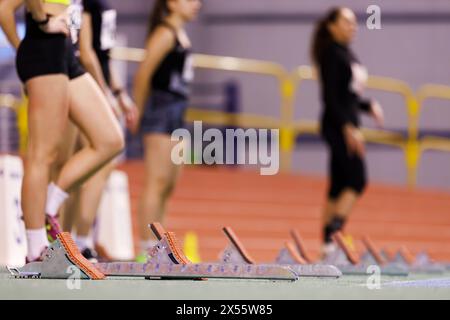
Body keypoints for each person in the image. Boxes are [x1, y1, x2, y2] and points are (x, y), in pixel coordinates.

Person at [0, 0, 124, 263]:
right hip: (44, 49)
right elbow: (3, 8)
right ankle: (36, 247)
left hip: (66, 51)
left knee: (110, 140)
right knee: (42, 153)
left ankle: (50, 203)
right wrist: (37, 26)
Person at [310, 7, 384, 256]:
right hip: (338, 125)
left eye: (354, 22)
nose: (353, 26)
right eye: (346, 22)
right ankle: (333, 236)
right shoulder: (332, 53)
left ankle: (326, 246)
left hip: (345, 122)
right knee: (357, 179)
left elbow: (348, 95)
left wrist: (367, 105)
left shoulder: (345, 52)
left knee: (338, 184)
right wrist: (348, 127)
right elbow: (330, 97)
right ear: (332, 26)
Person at [132, 0, 201, 261]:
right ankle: (144, 248)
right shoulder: (164, 33)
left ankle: (160, 245)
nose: (197, 4)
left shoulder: (180, 33)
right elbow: (143, 75)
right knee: (156, 181)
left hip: (177, 114)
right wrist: (137, 112)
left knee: (168, 184)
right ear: (171, 3)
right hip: (160, 112)